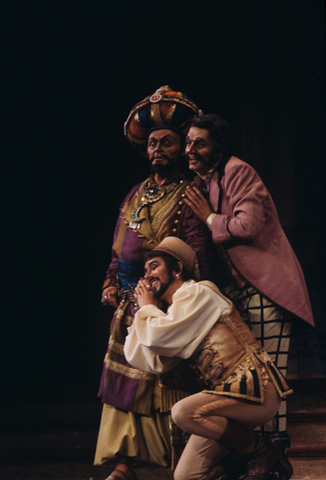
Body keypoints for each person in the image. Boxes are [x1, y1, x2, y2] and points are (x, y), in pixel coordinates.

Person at [94, 86, 212, 480]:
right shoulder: (134, 193)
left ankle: (175, 465)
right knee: (125, 386)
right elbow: (118, 248)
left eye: (167, 142)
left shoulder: (188, 194)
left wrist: (168, 292)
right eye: (152, 143)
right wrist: (112, 281)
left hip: (164, 300)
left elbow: (196, 250)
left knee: (158, 384)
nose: (157, 148)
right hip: (128, 303)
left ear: (182, 148)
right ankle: (123, 463)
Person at [183, 114, 314, 436]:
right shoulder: (208, 181)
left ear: (218, 147)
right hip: (242, 294)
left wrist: (209, 218)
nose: (190, 149)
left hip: (266, 291)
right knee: (256, 382)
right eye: (188, 142)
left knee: (269, 382)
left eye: (199, 143)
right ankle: (263, 457)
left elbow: (248, 225)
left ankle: (274, 454)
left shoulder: (237, 170)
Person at [124, 236, 294, 480]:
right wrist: (144, 311)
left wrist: (146, 308)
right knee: (187, 475)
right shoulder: (173, 315)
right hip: (227, 402)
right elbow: (152, 360)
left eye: (154, 266)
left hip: (255, 389)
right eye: (144, 270)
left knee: (182, 412)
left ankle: (260, 449)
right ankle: (245, 459)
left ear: (177, 269)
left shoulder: (200, 293)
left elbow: (155, 338)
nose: (146, 276)